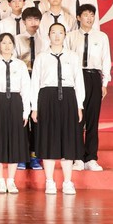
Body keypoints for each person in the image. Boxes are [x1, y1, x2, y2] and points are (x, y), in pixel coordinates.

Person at [30, 23, 85, 195]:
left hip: (68, 98)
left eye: (60, 33)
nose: (57, 36)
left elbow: (79, 81)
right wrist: (34, 107)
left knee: (68, 140)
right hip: (47, 98)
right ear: (48, 35)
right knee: (48, 140)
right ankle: (49, 181)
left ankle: (68, 182)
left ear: (65, 35)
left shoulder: (73, 56)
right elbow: (35, 82)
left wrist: (79, 105)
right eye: (53, 32)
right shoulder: (41, 57)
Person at [0, 33, 31, 194]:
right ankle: (0, 181)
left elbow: (26, 88)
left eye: (10, 43)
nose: (7, 46)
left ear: (14, 46)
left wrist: (26, 111)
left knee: (15, 141)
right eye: (3, 43)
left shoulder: (20, 65)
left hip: (16, 102)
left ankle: (11, 180)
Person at [67, 4, 111, 172]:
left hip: (94, 77)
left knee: (93, 119)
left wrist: (104, 83)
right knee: (77, 119)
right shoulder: (70, 36)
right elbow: (67, 60)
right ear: (78, 17)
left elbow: (106, 60)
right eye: (86, 15)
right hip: (77, 77)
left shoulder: (102, 37)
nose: (89, 18)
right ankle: (77, 157)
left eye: (92, 15)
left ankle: (91, 158)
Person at [14, 7, 44, 171]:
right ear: (24, 21)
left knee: (38, 120)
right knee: (22, 119)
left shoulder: (45, 41)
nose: (33, 23)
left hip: (39, 81)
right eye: (30, 19)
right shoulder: (17, 40)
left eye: (36, 19)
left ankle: (35, 156)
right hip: (22, 80)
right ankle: (21, 156)